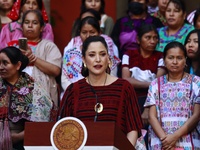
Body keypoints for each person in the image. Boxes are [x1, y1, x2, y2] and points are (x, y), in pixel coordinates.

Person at [59, 36, 143, 147]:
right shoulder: (73, 90)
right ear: (83, 59)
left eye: (102, 54)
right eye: (92, 55)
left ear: (108, 58)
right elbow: (63, 130)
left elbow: (133, 129)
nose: (98, 59)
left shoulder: (124, 88)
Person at [144, 41, 200, 149]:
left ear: (185, 61)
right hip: (161, 143)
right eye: (170, 58)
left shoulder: (196, 83)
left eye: (179, 58)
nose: (175, 62)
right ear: (164, 60)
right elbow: (152, 117)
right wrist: (165, 140)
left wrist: (174, 137)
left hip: (188, 143)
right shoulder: (155, 84)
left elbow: (196, 116)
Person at [0, 46, 53, 150]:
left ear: (18, 65)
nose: (1, 67)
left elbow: (42, 123)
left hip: (23, 144)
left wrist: (17, 137)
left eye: (5, 63)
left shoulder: (34, 90)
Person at [7, 9, 62, 108]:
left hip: (43, 97)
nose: (30, 26)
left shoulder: (49, 46)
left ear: (41, 28)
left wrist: (34, 59)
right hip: (17, 97)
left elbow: (56, 70)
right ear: (22, 26)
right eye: (27, 22)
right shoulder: (13, 48)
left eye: (35, 23)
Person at [61, 16, 120, 91]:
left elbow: (112, 76)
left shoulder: (107, 53)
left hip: (103, 92)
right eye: (84, 32)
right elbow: (64, 80)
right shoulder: (70, 54)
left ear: (99, 33)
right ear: (79, 33)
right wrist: (77, 93)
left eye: (92, 32)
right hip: (75, 94)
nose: (88, 36)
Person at [122, 24, 166, 120]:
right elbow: (126, 81)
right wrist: (150, 84)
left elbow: (158, 85)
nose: (152, 41)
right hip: (131, 98)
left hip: (152, 100)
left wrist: (147, 107)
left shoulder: (161, 56)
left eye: (155, 38)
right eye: (148, 37)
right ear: (138, 40)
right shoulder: (128, 54)